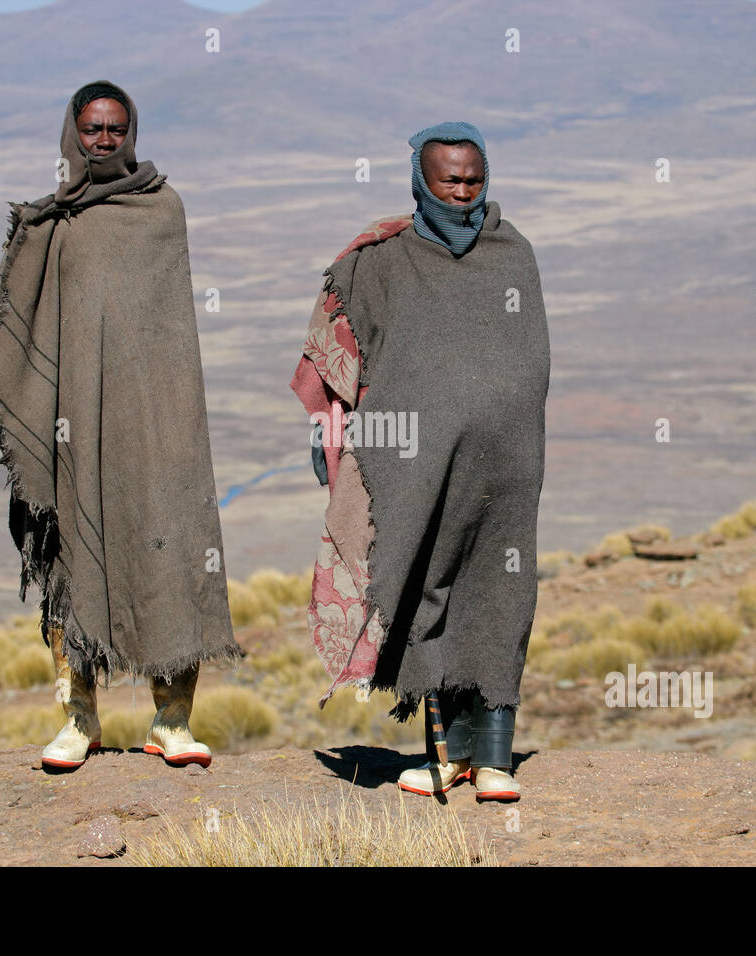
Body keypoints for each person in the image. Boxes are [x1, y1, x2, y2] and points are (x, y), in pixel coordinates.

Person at [0, 80, 242, 772]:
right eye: (93, 129)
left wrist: (166, 421)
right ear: (73, 133)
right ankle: (77, 721)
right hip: (71, 424)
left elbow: (168, 335)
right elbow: (12, 323)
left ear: (132, 132)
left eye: (117, 129)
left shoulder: (162, 211)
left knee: (168, 547)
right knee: (70, 556)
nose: (105, 140)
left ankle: (172, 721)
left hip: (156, 424)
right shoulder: (53, 225)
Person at [290, 121, 550, 801]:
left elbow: (530, 361)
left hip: (504, 464)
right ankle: (446, 755)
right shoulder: (380, 261)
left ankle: (494, 760)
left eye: (473, 180)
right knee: (421, 585)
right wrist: (333, 430)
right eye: (449, 180)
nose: (462, 192)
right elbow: (344, 350)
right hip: (410, 460)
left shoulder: (511, 253)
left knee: (498, 590)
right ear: (420, 181)